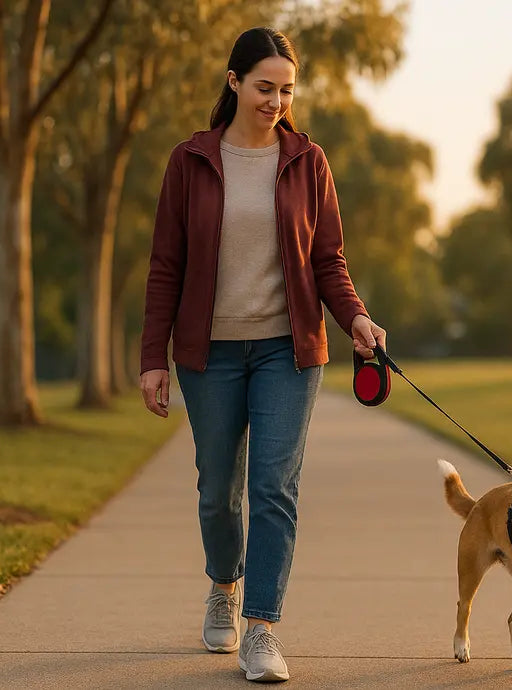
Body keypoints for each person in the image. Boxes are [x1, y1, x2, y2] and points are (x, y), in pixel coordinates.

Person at [138, 27, 386, 683]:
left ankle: (261, 630)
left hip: (288, 351)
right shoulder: (189, 161)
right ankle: (222, 583)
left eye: (285, 90)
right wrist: (152, 357)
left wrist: (355, 317)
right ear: (233, 82)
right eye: (263, 87)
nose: (275, 100)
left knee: (272, 487)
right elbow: (166, 265)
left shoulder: (308, 161)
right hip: (207, 354)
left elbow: (327, 259)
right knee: (218, 492)